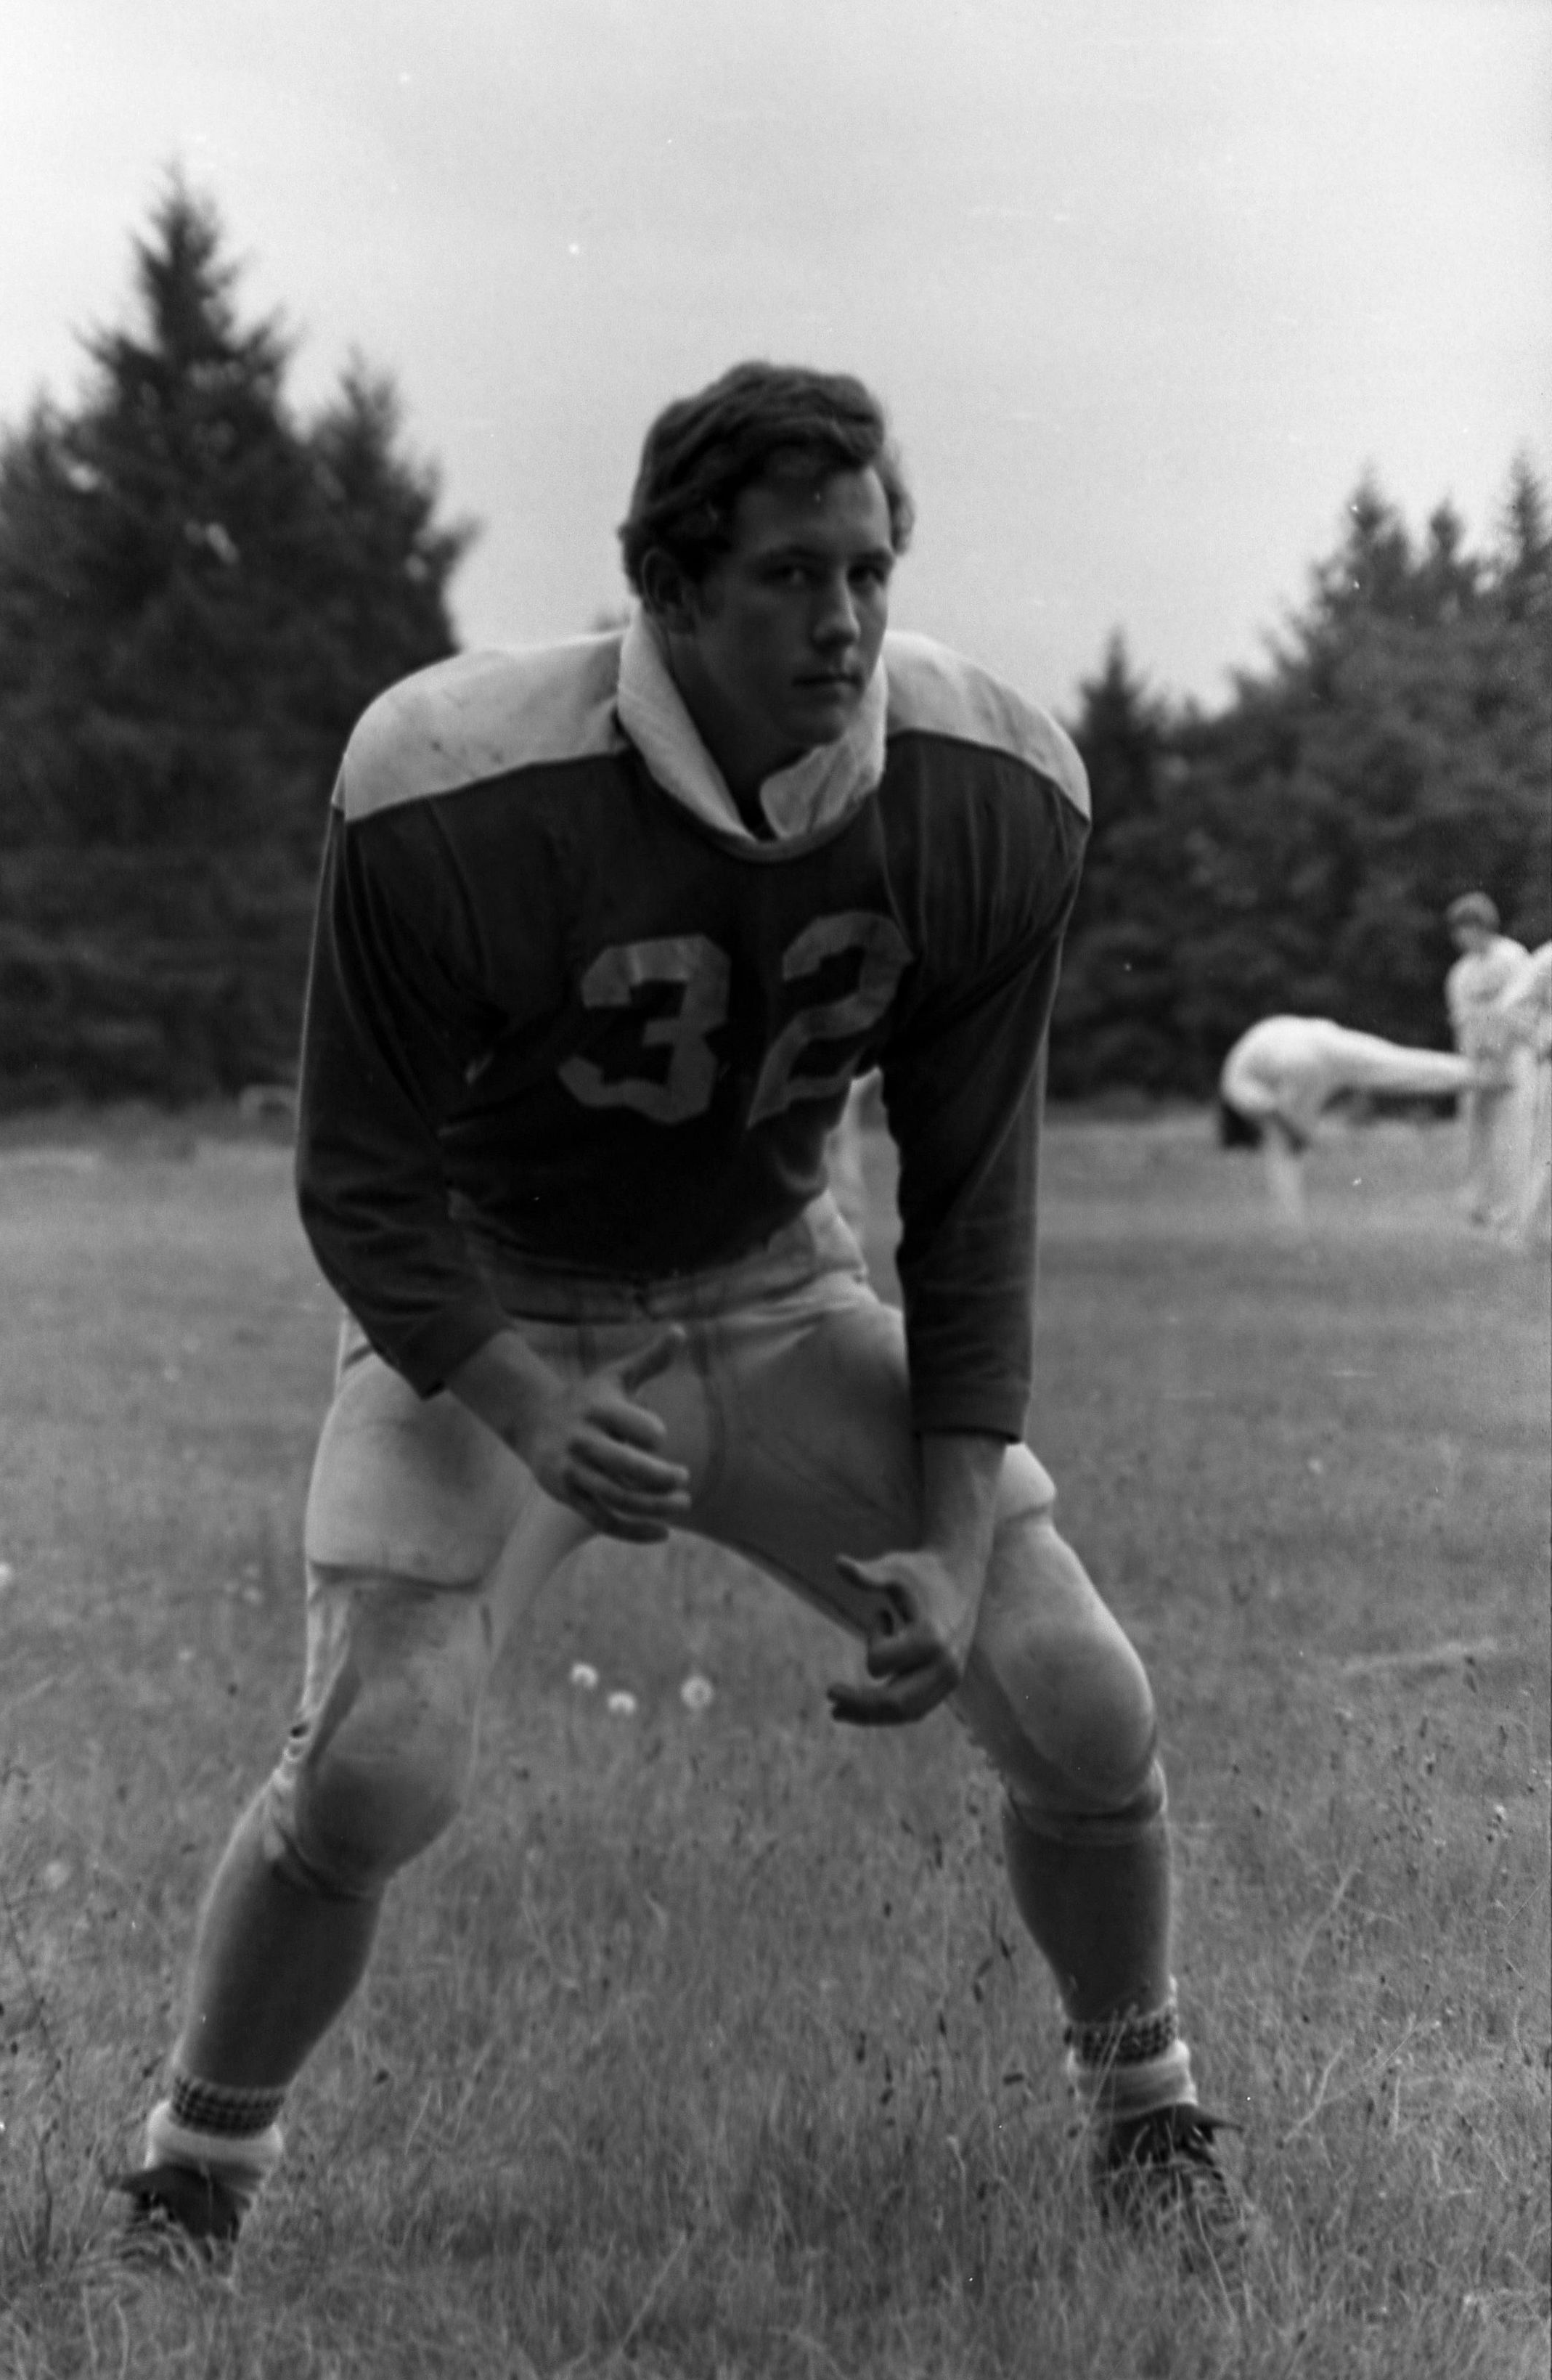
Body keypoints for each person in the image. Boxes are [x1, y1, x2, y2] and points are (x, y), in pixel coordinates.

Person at [118, 362, 1236, 2261]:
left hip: (778, 1286)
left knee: (1077, 1692)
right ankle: (188, 2179)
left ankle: (1152, 2122)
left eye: (869, 569)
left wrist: (957, 1538)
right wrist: (523, 1398)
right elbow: (361, 1183)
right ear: (669, 586)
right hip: (505, 1301)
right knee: (378, 1758)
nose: (846, 620)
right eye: (792, 575)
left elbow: (974, 1204)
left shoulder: (984, 791)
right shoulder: (461, 784)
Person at [1218, 1015, 1477, 1228]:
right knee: (1395, 1062)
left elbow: (1274, 1112)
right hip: (1323, 1038)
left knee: (1283, 1149)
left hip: (1295, 1059)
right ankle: (1476, 1073)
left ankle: (1290, 1225)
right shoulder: (1240, 1061)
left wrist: (1301, 1136)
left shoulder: (1233, 1087)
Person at [1444, 892, 1532, 1228]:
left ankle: (1513, 1207)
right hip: (1476, 1064)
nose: (1461, 936)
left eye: (1466, 927)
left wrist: (1502, 1049)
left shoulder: (1511, 957)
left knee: (1512, 1133)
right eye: (1458, 929)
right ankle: (1479, 1204)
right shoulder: (1460, 972)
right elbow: (1462, 1020)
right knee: (1476, 1134)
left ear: (1482, 926)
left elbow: (1522, 1009)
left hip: (1512, 1060)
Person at [1496, 939, 1552, 1244]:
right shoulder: (1547, 958)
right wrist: (1539, 1038)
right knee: (1545, 1152)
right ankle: (1529, 1231)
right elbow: (1509, 1005)